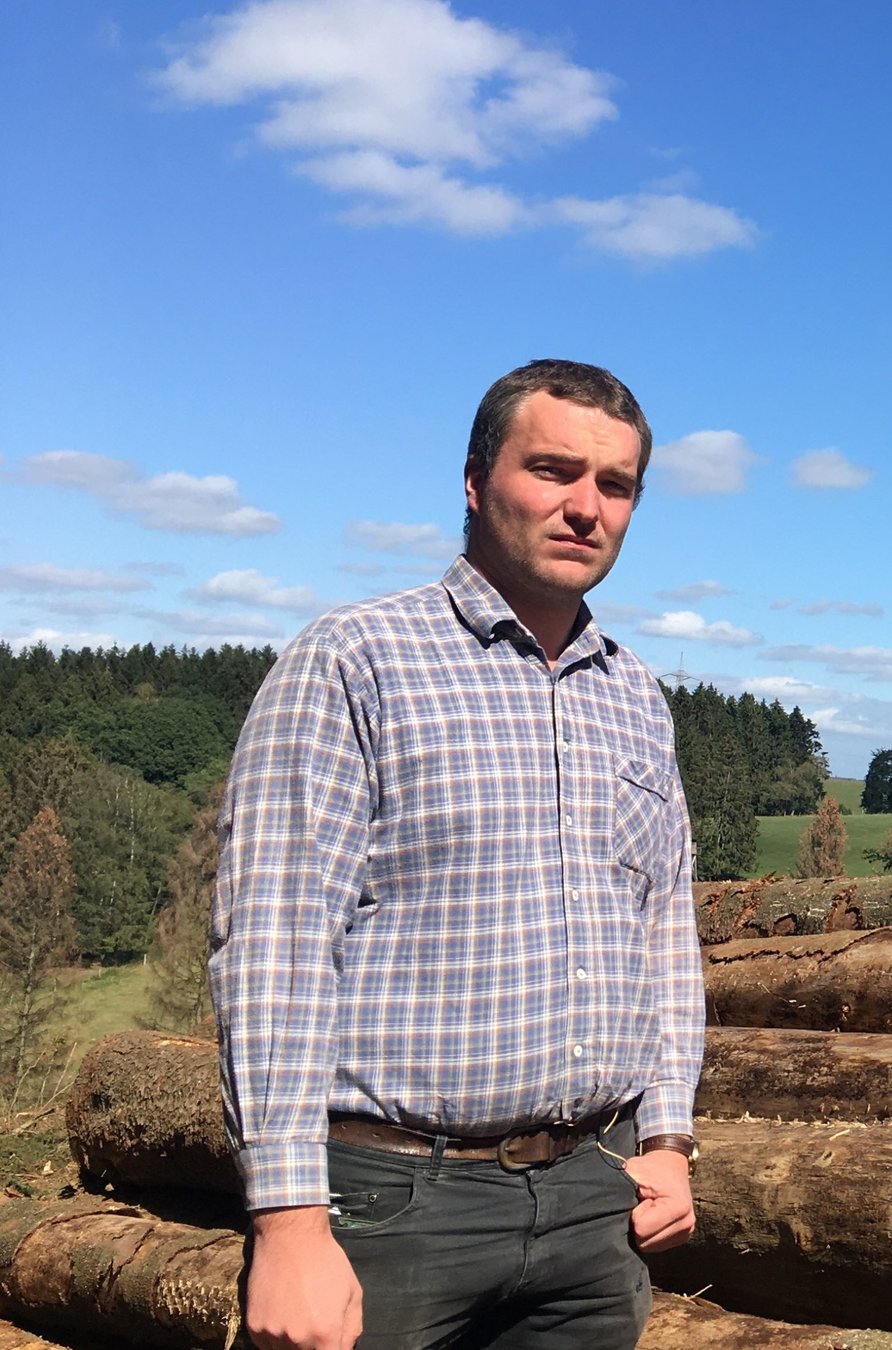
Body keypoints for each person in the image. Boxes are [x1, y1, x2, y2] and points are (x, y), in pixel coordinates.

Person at [212, 359, 704, 1350]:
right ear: (476, 481)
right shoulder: (357, 659)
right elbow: (275, 941)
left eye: (614, 485)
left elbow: (664, 927)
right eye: (553, 470)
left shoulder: (635, 695)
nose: (584, 506)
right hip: (392, 1203)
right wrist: (289, 1222)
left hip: (591, 1200)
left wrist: (669, 1135)